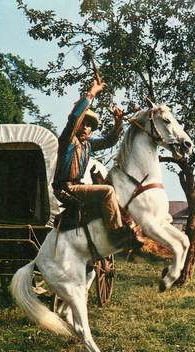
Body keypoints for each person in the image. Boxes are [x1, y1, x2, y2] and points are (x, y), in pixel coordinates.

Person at [52, 78, 143, 247]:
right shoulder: (68, 140)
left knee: (116, 190)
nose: (86, 127)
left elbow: (110, 141)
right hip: (66, 188)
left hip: (77, 186)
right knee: (107, 191)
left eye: (89, 125)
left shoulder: (88, 144)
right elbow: (73, 119)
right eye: (83, 123)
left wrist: (118, 122)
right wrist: (92, 92)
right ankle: (115, 233)